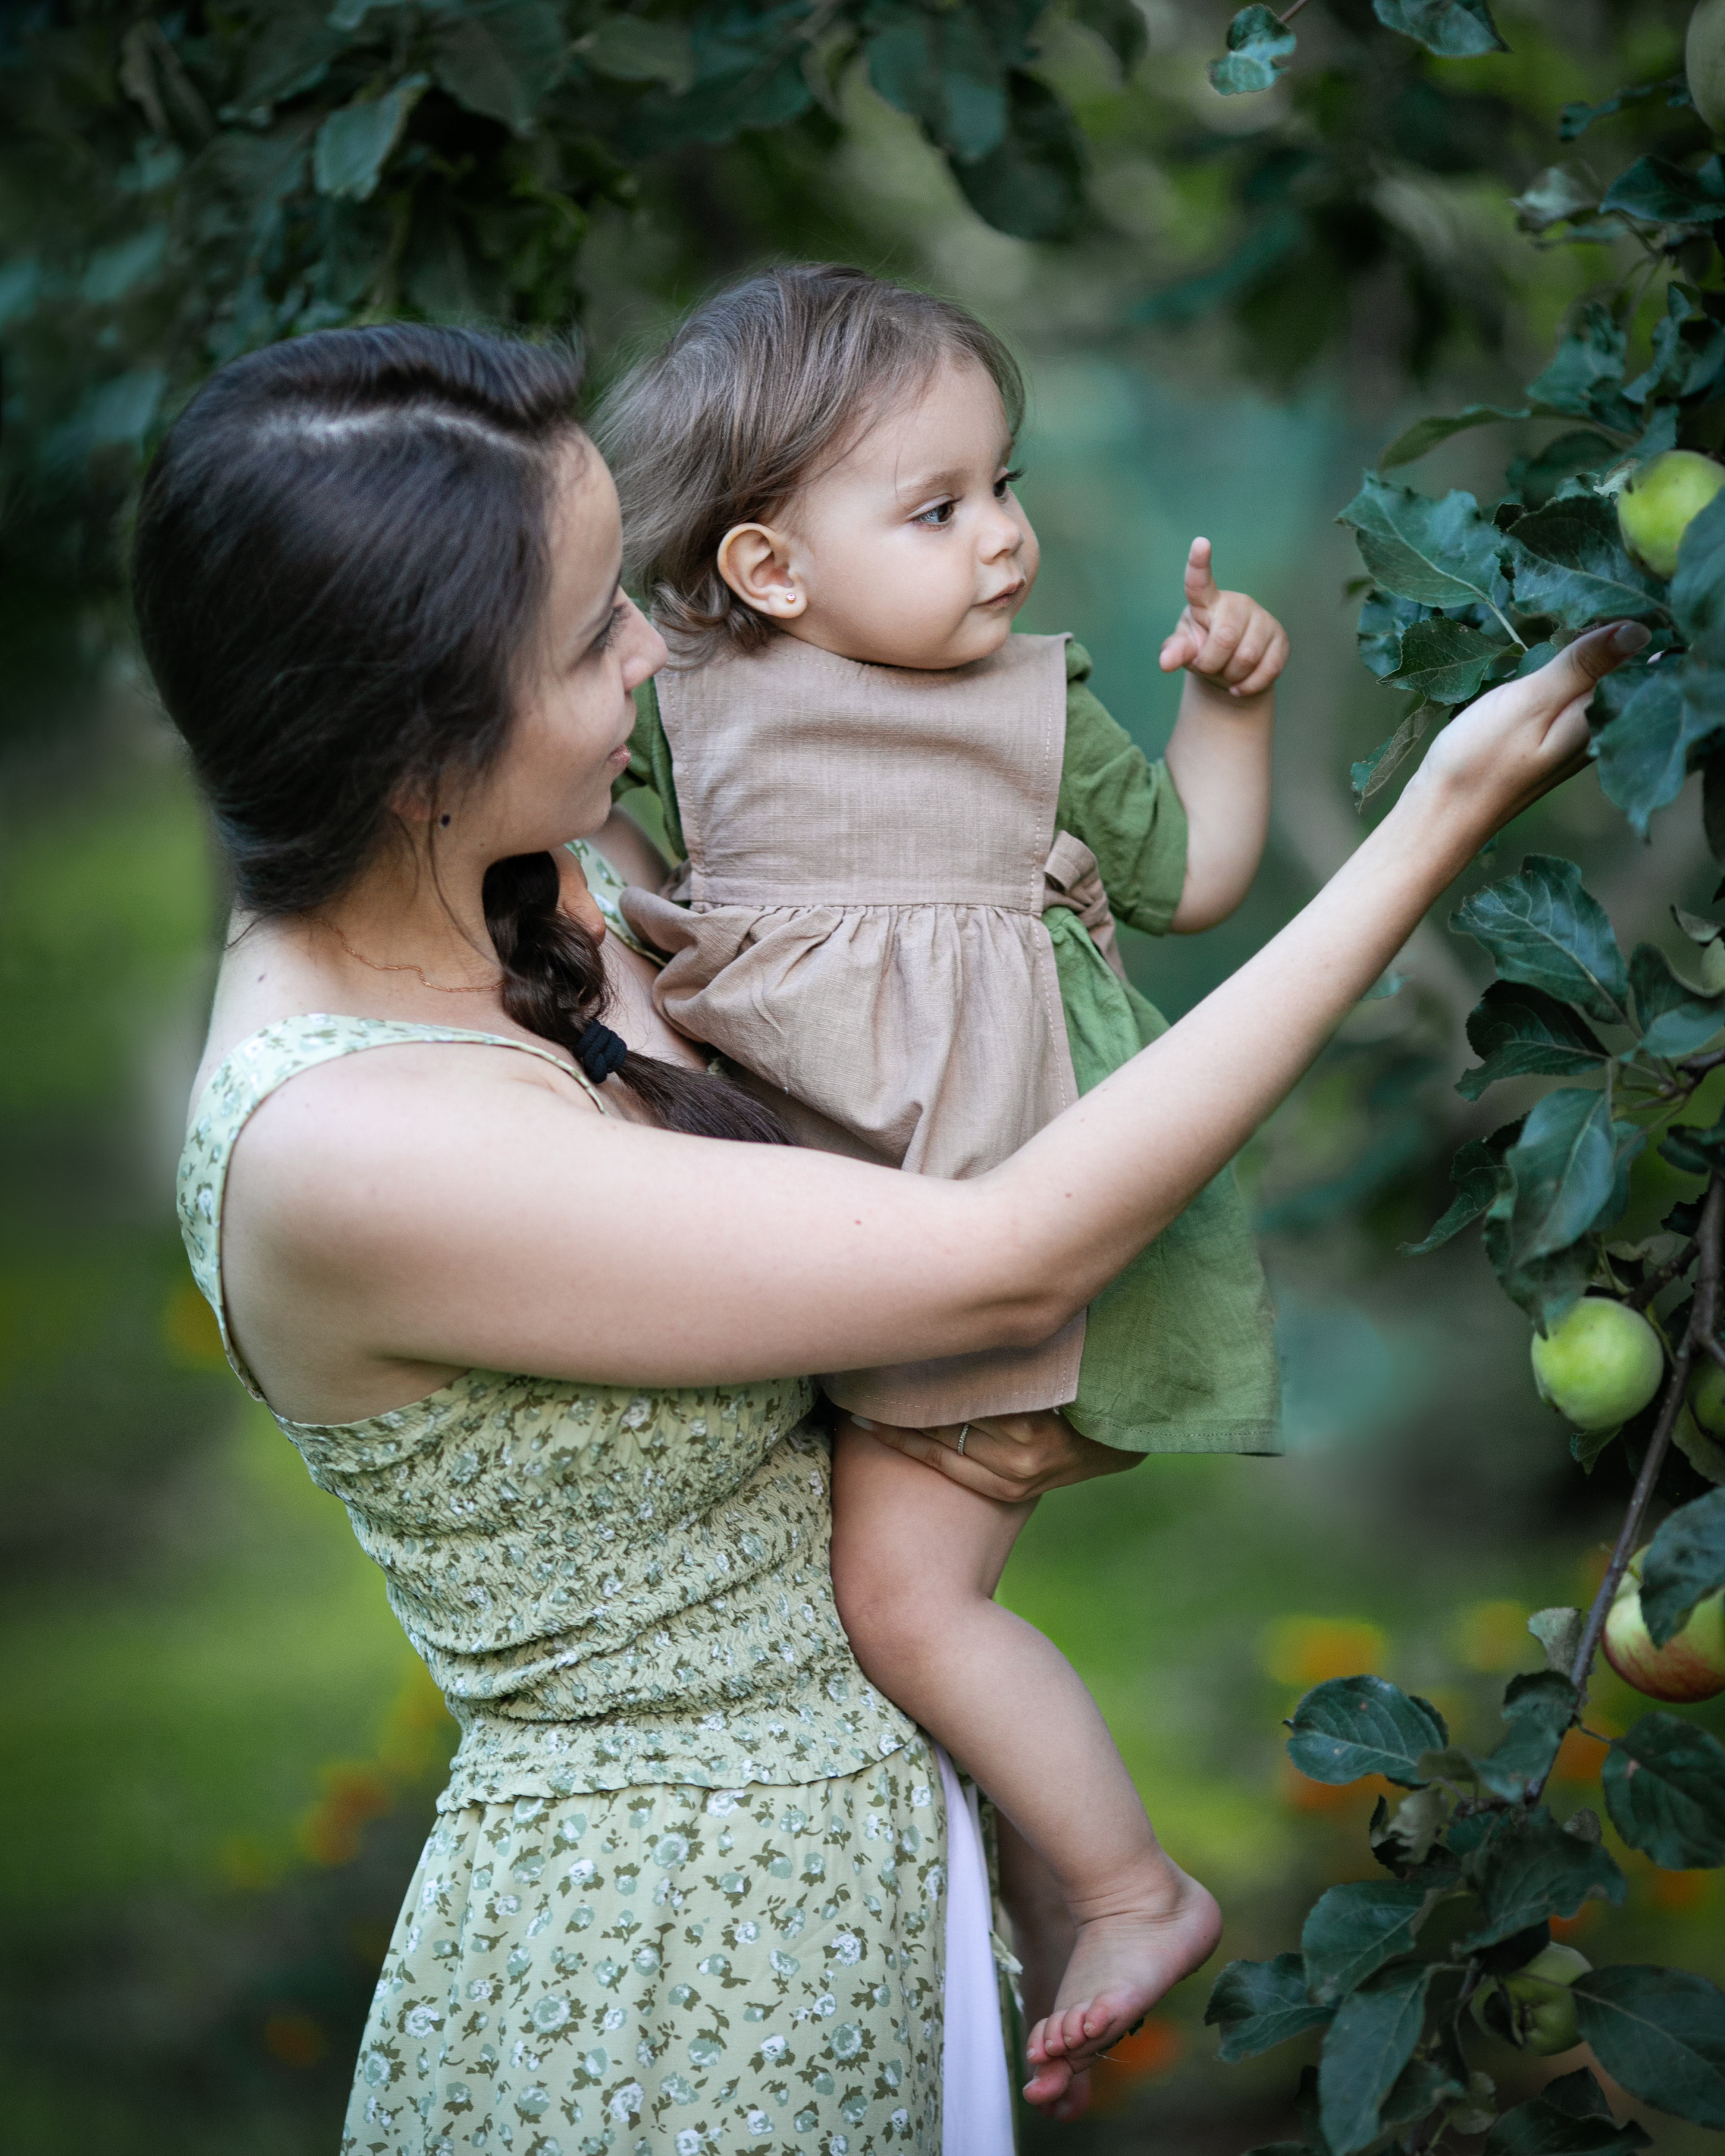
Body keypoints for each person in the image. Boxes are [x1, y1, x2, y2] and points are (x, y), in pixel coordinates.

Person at [137, 319, 1636, 2148]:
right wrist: (1436, 824)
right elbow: (1005, 1256)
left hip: (855, 1900)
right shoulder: (351, 1143)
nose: (661, 653)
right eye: (603, 626)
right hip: (672, 2004)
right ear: (414, 750)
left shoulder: (549, 882)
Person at [593, 264, 1285, 2076]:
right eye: (939, 505)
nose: (1006, 539)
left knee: (906, 1602)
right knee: (853, 1599)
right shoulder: (684, 710)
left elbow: (1199, 876)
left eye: (1006, 483)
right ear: (766, 570)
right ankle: (1037, 1901)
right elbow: (575, 837)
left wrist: (1234, 708)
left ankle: (1132, 1885)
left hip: (1023, 1264)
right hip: (837, 1250)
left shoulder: (1043, 712)